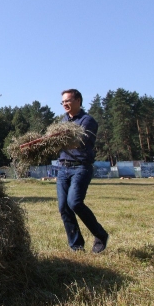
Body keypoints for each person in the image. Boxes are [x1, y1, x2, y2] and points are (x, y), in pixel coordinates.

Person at [57, 89, 109, 253]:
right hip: (63, 168)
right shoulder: (63, 121)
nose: (65, 104)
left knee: (74, 203)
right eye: (63, 102)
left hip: (80, 167)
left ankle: (100, 235)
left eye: (68, 101)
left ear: (78, 100)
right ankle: (76, 246)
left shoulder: (88, 121)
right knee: (63, 207)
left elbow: (79, 141)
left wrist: (56, 141)